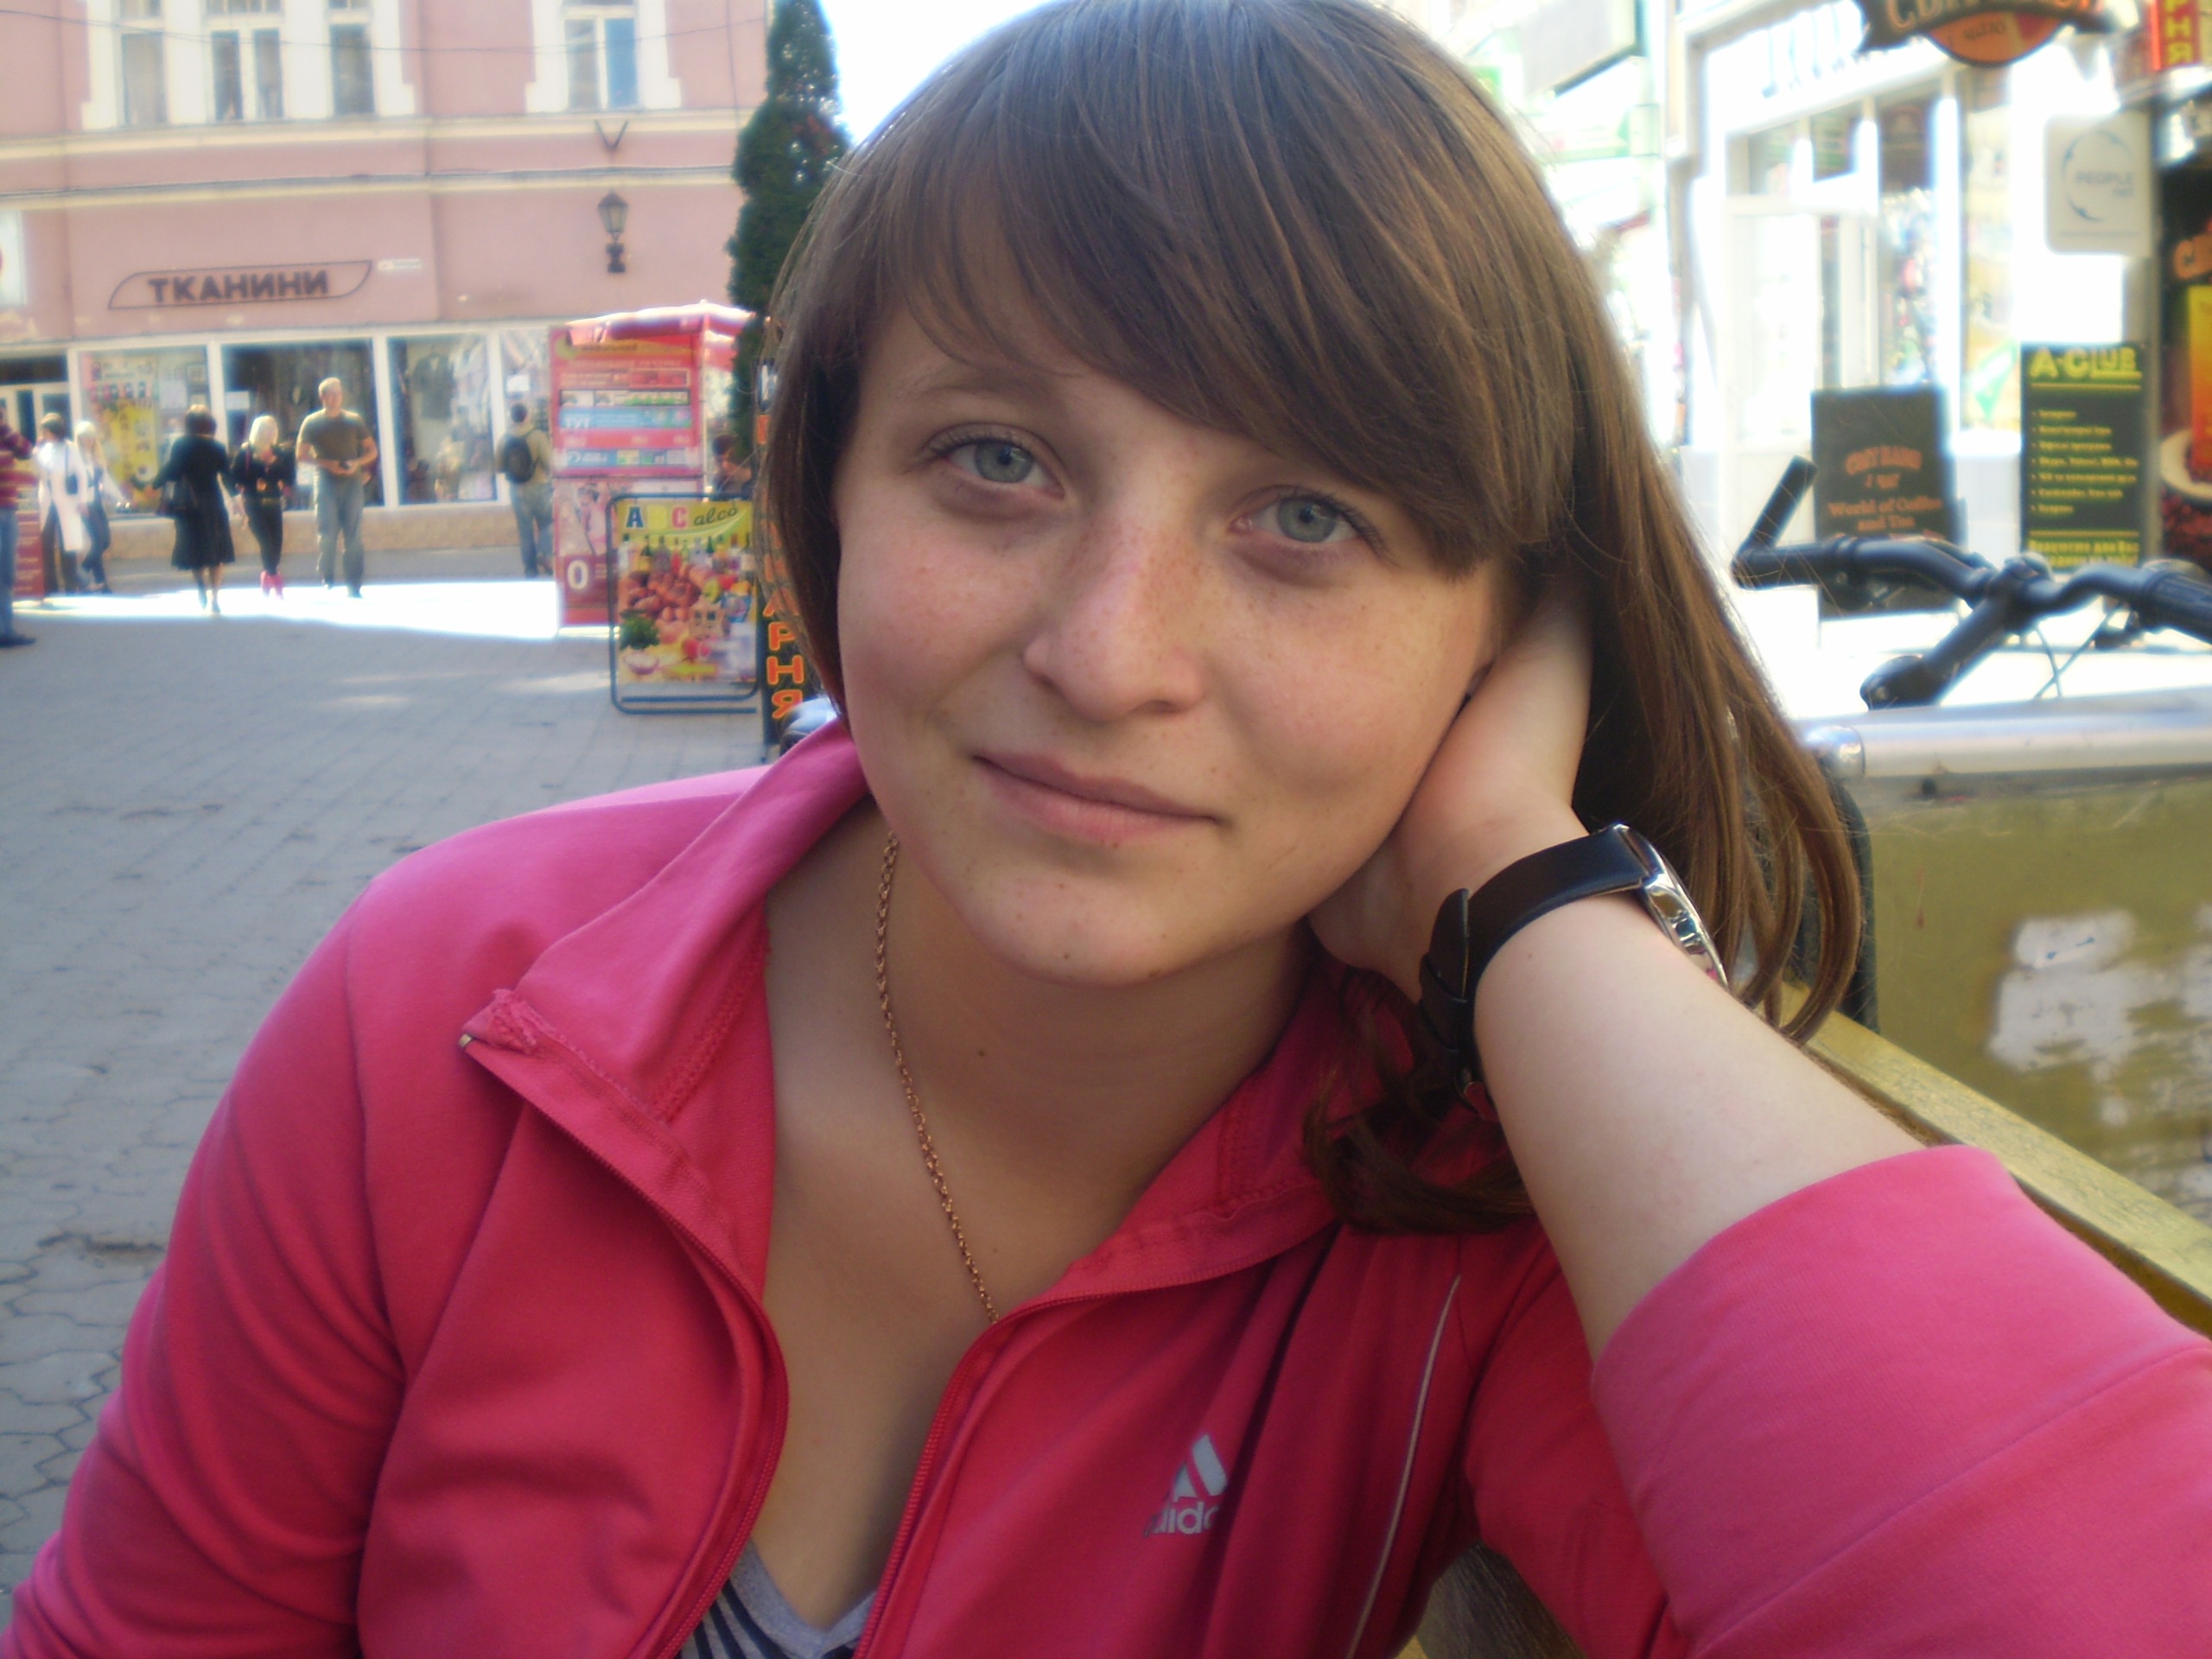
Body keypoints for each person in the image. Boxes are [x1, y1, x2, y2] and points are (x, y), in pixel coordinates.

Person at [9, 5, 2211, 1656]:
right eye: (995, 461)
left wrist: (1524, 896)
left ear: (1503, 628)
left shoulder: (1483, 1207)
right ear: (826, 493)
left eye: (1306, 515)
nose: (1106, 649)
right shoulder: (452, 1013)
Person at [296, 375, 376, 595]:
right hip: (325, 481)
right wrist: (328, 464)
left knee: (353, 534)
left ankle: (354, 583)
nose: (335, 398)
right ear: (322, 397)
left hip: (351, 482)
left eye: (338, 394)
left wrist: (356, 463)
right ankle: (327, 573)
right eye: (330, 394)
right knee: (327, 532)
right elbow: (301, 455)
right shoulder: (312, 422)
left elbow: (372, 450)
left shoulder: (353, 421)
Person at [154, 405, 236, 613]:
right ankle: (215, 597)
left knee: (195, 550)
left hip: (189, 506)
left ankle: (201, 588)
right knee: (216, 552)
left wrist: (155, 483)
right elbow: (227, 476)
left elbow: (173, 470)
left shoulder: (182, 445)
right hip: (213, 503)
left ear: (188, 424)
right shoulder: (218, 447)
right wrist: (236, 499)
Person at [231, 413, 296, 596]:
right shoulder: (246, 453)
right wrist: (237, 497)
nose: (270, 432)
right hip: (253, 504)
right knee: (266, 543)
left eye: (273, 429)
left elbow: (290, 479)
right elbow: (233, 477)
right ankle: (275, 578)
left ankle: (267, 575)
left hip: (274, 503)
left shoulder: (282, 453)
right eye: (266, 429)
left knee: (276, 544)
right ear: (257, 431)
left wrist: (276, 465)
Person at [32, 411, 91, 596]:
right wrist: (35, 452)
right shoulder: (42, 449)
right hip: (47, 501)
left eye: (46, 431)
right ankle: (50, 586)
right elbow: (38, 473)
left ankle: (71, 585)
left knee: (68, 545)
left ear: (54, 431)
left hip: (67, 502)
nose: (43, 434)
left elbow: (82, 475)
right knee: (46, 544)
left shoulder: (70, 448)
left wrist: (83, 501)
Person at [499, 399, 555, 577]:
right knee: (547, 524)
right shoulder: (538, 436)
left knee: (525, 531)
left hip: (517, 490)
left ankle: (530, 570)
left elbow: (499, 467)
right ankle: (544, 554)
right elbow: (549, 463)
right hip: (539, 487)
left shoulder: (504, 439)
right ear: (527, 416)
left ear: (512, 418)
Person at [74, 423, 125, 595]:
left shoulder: (96, 457)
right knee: (99, 541)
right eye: (84, 435)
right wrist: (80, 503)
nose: (88, 439)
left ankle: (99, 582)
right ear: (79, 438)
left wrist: (121, 498)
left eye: (90, 435)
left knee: (105, 541)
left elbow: (106, 482)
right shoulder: (76, 457)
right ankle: (83, 572)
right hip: (85, 504)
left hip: (96, 503)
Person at [0, 404, 32, 647]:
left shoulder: (7, 437)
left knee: (8, 573)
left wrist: (5, 428)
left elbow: (27, 450)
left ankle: (6, 630)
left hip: (9, 512)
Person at [709, 431, 754, 502]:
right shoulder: (717, 480)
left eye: (729, 460)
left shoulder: (748, 479)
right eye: (719, 461)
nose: (724, 466)